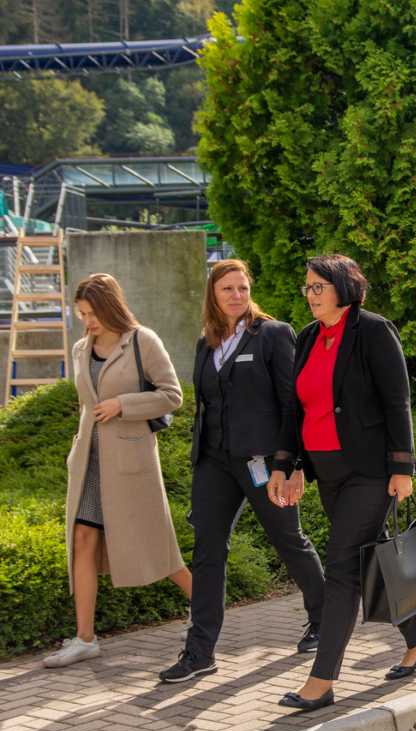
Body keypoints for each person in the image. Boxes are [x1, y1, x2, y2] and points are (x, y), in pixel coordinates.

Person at [272, 255, 416, 712]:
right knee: (372, 561)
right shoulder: (308, 337)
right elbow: (295, 408)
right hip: (328, 472)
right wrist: (286, 464)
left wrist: (402, 467)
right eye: (307, 288)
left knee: (342, 567)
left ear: (343, 287)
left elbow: (397, 400)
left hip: (369, 471)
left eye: (318, 287)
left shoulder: (373, 331)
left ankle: (322, 680)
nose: (310, 295)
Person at [158, 260, 326, 684]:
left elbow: (292, 402)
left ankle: (325, 619)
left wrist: (293, 463)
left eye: (242, 288)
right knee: (207, 550)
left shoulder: (272, 334)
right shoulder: (206, 342)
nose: (236, 295)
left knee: (288, 539)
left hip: (263, 463)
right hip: (213, 461)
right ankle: (199, 652)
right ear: (213, 296)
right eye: (227, 289)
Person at [49, 273, 188, 669]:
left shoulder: (143, 340)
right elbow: (85, 405)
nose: (88, 321)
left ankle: (208, 610)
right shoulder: (81, 348)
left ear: (110, 306)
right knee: (82, 540)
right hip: (89, 463)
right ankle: (84, 639)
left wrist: (123, 404)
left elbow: (172, 396)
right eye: (82, 314)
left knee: (158, 547)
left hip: (130, 465)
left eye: (92, 313)